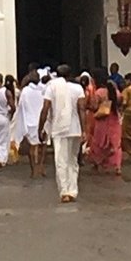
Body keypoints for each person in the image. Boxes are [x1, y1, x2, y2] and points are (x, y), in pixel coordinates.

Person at [39, 64, 88, 203]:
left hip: (59, 128)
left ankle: (65, 191)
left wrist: (41, 127)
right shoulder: (78, 88)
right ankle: (73, 190)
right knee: (73, 161)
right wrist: (84, 130)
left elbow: (45, 108)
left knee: (61, 161)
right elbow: (82, 109)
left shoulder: (52, 87)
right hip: (75, 128)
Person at [86, 72, 123, 176]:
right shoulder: (116, 92)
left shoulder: (99, 93)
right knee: (115, 143)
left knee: (100, 142)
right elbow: (121, 103)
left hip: (102, 120)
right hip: (114, 119)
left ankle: (98, 163)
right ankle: (117, 166)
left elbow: (94, 106)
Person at [16, 70, 48, 179]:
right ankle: (41, 165)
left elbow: (21, 106)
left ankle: (33, 168)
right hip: (43, 121)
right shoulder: (44, 90)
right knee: (43, 145)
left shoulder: (25, 91)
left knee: (32, 147)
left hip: (30, 122)